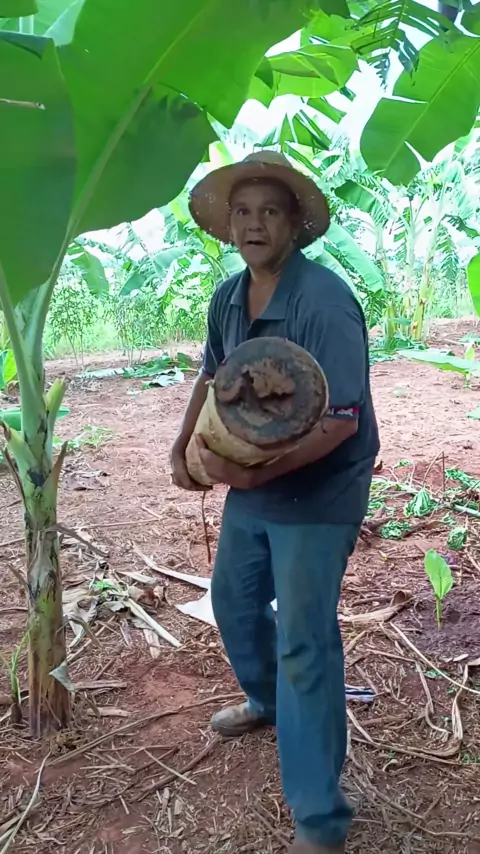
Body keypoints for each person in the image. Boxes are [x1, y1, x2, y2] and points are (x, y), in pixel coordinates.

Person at [170, 151, 380, 854]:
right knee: (232, 602)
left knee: (304, 640)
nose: (253, 223)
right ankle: (268, 702)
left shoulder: (325, 301)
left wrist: (254, 477)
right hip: (255, 478)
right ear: (229, 225)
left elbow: (340, 420)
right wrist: (182, 446)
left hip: (321, 488)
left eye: (269, 211)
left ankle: (320, 819)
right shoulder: (229, 297)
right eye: (242, 212)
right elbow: (211, 376)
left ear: (293, 225)